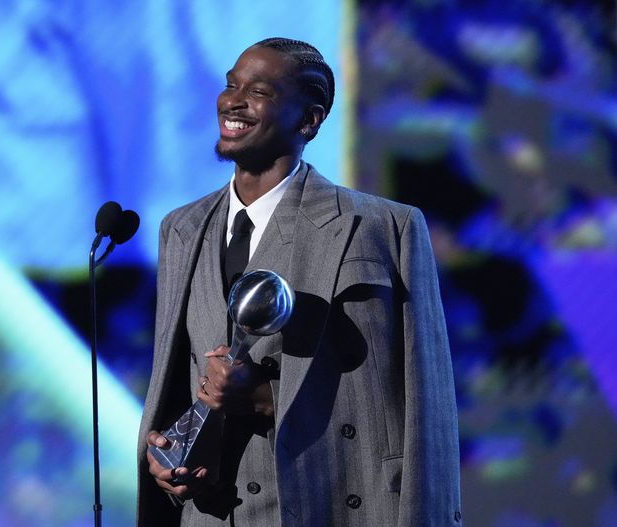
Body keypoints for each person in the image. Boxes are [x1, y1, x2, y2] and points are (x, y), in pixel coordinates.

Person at [137, 37, 461, 526]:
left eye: (260, 91)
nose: (233, 101)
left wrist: (264, 396)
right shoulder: (181, 229)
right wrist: (170, 454)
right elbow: (178, 383)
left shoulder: (382, 227)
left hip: (333, 504)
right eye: (231, 85)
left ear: (308, 120)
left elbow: (423, 406)